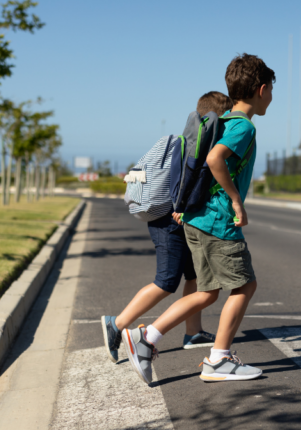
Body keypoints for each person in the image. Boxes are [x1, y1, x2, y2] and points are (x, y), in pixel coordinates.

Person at [123, 53, 274, 383]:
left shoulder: (221, 122)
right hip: (217, 222)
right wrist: (236, 201)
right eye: (272, 91)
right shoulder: (243, 127)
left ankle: (145, 338)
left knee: (206, 292)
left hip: (195, 219)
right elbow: (215, 158)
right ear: (262, 89)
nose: (272, 98)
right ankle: (219, 360)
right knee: (245, 285)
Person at [100, 91, 234, 364]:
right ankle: (116, 324)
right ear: (217, 118)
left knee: (194, 276)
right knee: (166, 281)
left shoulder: (176, 140)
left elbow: (139, 172)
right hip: (168, 221)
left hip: (171, 218)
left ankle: (192, 332)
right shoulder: (197, 145)